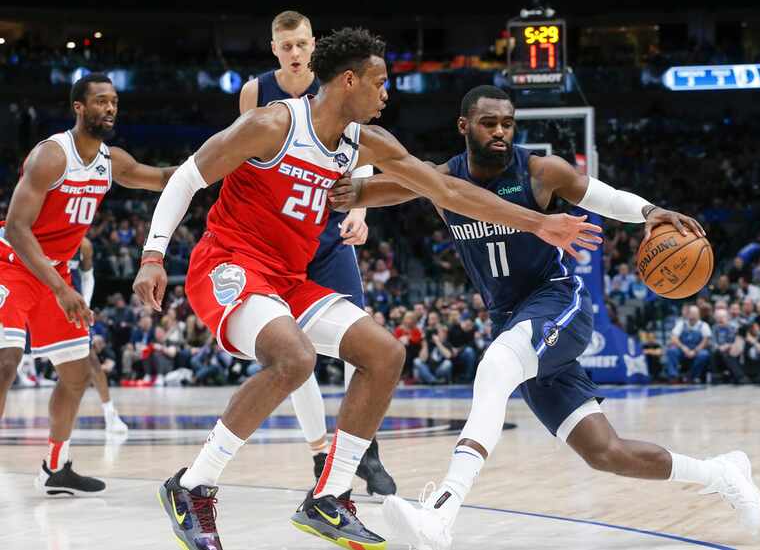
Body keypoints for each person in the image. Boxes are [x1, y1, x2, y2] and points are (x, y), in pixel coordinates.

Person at [133, 30, 599, 550]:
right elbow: (187, 178)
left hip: (289, 278)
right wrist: (153, 256)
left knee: (384, 354)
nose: (386, 94)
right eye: (379, 82)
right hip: (229, 263)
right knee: (295, 359)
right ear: (349, 80)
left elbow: (448, 190)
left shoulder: (365, 143)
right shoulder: (273, 124)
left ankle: (329, 497)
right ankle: (192, 485)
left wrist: (536, 223)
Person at [329, 85, 760, 549]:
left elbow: (603, 196)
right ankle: (721, 472)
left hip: (557, 303)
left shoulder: (538, 171)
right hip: (513, 323)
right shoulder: (441, 180)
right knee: (605, 452)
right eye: (488, 123)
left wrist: (651, 212)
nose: (500, 132)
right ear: (464, 127)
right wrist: (325, 168)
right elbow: (358, 189)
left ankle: (441, 514)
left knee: (495, 368)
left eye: (507, 124)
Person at [240, 10, 395, 495]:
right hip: (275, 236)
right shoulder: (254, 93)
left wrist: (363, 209)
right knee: (292, 351)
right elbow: (242, 156)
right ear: (274, 49)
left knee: (362, 339)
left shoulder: (334, 87)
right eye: (285, 47)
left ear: (313, 45)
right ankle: (317, 453)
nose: (294, 54)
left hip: (326, 230)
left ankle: (365, 452)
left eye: (301, 45)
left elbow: (363, 146)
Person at [0, 73, 176, 495]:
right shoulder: (51, 155)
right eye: (100, 101)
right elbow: (17, 228)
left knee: (77, 374)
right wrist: (62, 289)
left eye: (114, 101)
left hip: (56, 272)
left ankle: (56, 467)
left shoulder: (111, 161)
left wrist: (226, 159)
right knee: (5, 363)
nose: (110, 108)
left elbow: (162, 178)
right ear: (79, 107)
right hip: (11, 263)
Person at [69, 236, 128, 432]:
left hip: (72, 308)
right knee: (10, 358)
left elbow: (87, 276)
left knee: (92, 360)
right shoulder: (39, 236)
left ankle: (110, 414)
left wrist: (84, 304)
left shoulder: (83, 244)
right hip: (39, 301)